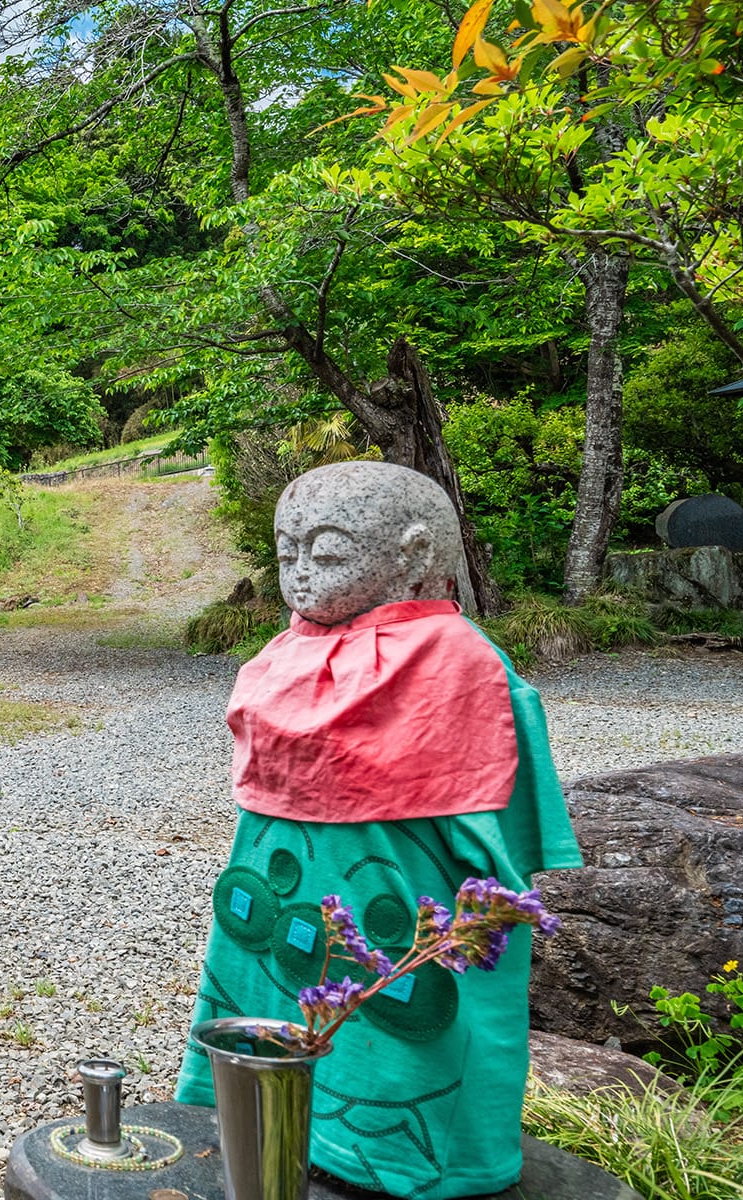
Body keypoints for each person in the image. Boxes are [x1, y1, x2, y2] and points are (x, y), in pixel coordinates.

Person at [173, 461, 582, 1199]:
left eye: (327, 554)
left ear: (416, 555)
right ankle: (266, 1112)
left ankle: (407, 1156)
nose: (300, 575)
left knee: (409, 1009)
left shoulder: (459, 658)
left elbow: (504, 823)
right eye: (286, 553)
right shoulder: (284, 650)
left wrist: (493, 884)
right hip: (281, 870)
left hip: (402, 877)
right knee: (267, 991)